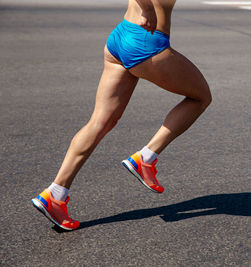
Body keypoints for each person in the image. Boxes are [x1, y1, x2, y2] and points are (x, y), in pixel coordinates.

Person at [31, 0, 212, 231]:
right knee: (201, 97)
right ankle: (145, 158)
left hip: (122, 35)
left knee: (100, 122)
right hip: (146, 41)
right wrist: (147, 9)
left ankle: (55, 193)